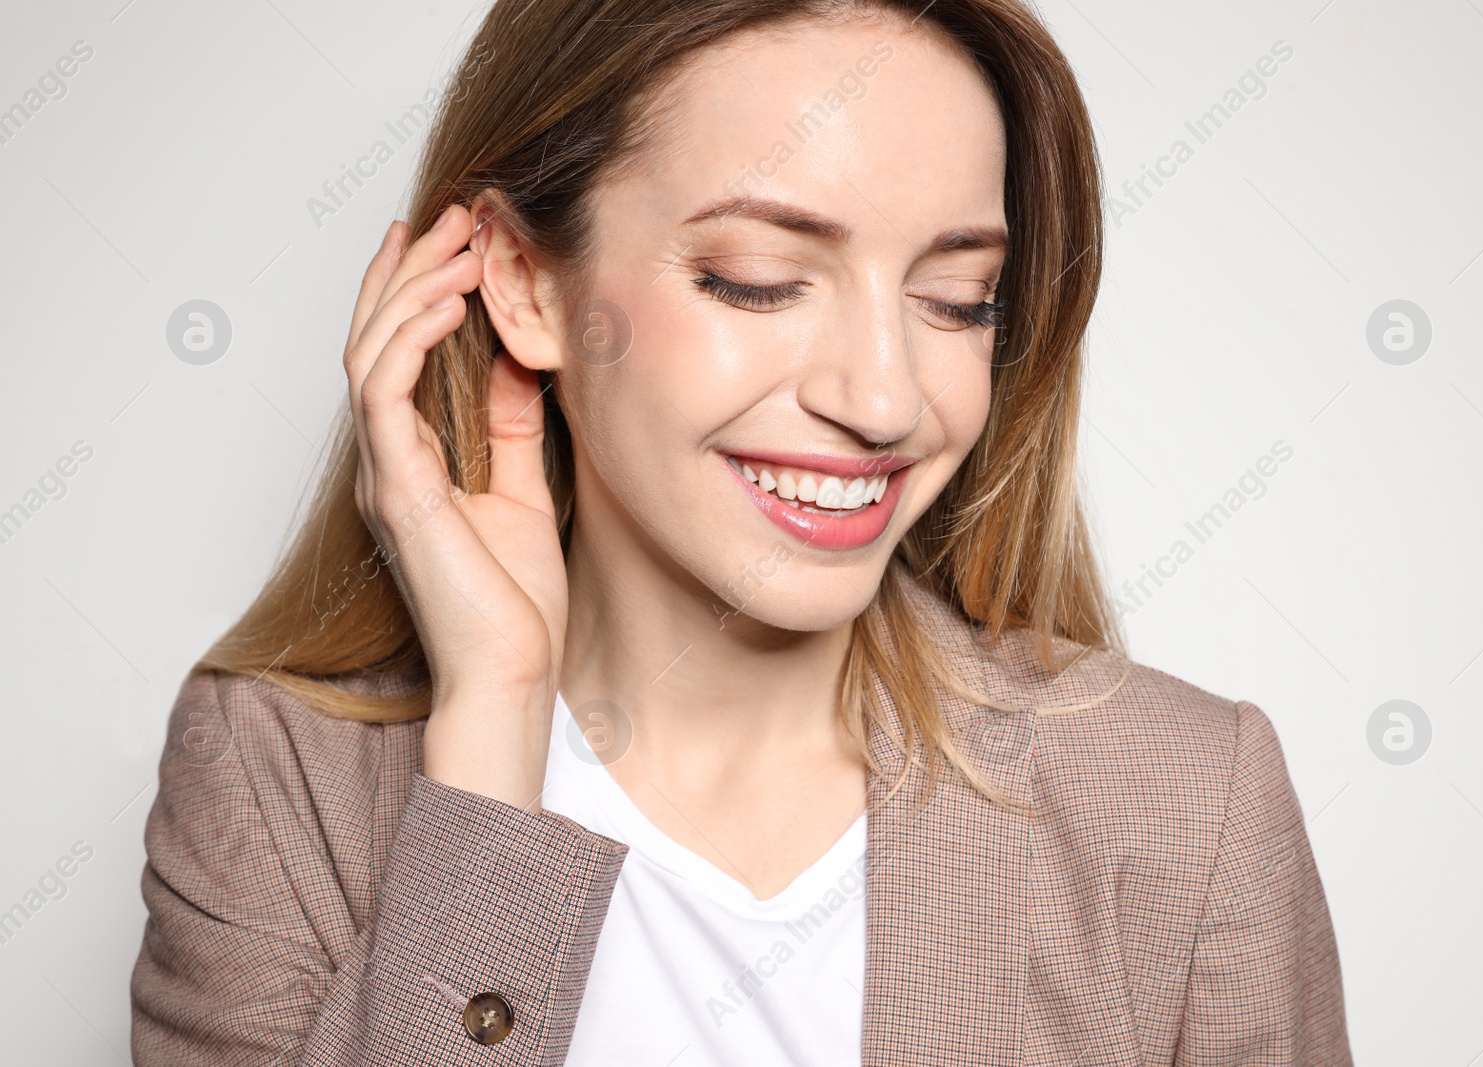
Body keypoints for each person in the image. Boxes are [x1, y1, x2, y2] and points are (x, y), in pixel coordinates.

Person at [129, 0, 1353, 1063]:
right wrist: (494, 736)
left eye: (955, 300)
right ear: (523, 281)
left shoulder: (1188, 807)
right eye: (760, 278)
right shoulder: (271, 780)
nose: (882, 399)